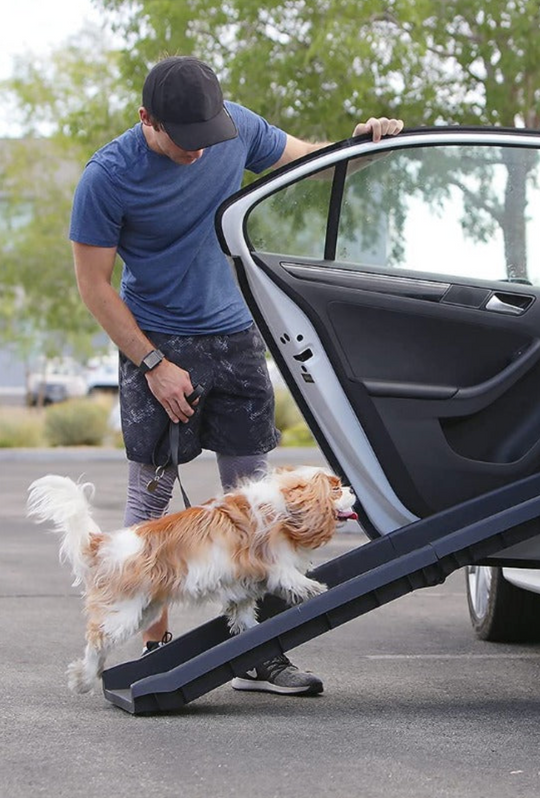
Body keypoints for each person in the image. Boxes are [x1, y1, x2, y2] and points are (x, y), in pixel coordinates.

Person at [69, 55, 403, 696]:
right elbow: (93, 286)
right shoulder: (107, 178)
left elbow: (312, 158)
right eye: (184, 142)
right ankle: (156, 647)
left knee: (256, 503)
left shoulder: (234, 129)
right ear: (147, 120)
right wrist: (153, 365)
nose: (199, 154)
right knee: (150, 503)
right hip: (155, 342)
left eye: (208, 139)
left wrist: (364, 144)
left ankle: (259, 653)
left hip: (234, 334)